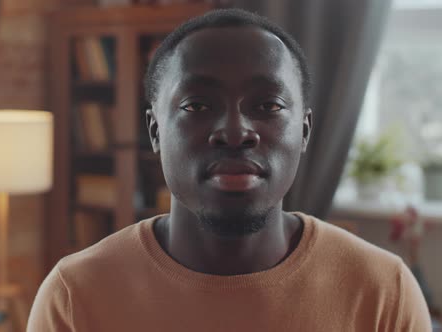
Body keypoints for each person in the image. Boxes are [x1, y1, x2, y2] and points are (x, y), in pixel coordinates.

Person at [28, 8, 431, 331]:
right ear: (154, 131)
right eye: (197, 106)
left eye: (268, 106)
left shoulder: (382, 292)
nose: (236, 132)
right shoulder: (77, 296)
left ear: (304, 132)